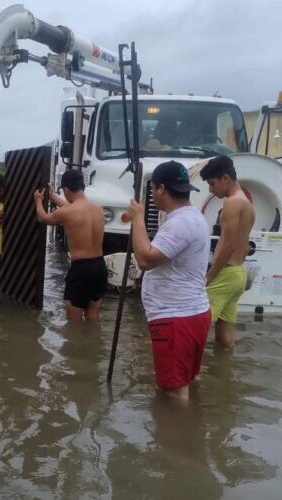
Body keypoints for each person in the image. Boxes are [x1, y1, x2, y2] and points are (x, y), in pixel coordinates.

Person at [126, 160, 211, 400]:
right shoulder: (193, 216)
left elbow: (145, 259)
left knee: (174, 392)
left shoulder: (180, 223)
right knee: (184, 383)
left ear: (161, 188)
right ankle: (192, 428)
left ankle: (176, 435)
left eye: (152, 189)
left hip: (176, 317)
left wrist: (137, 219)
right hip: (191, 313)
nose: (152, 194)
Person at [34, 169, 106, 321]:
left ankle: (75, 344)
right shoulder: (98, 209)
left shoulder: (67, 212)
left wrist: (38, 201)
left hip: (81, 268)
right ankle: (93, 343)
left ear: (66, 189)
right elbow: (73, 208)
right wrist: (53, 197)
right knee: (93, 314)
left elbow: (43, 218)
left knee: (74, 317)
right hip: (100, 266)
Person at [200, 155, 255, 349]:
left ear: (225, 178)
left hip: (224, 274)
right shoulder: (247, 203)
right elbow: (244, 245)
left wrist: (208, 277)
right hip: (238, 274)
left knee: (196, 330)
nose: (211, 190)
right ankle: (224, 375)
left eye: (212, 183)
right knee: (225, 341)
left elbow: (229, 244)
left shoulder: (232, 203)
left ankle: (189, 377)